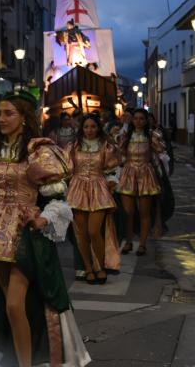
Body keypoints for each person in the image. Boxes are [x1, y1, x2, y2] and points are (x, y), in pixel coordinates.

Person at [0, 90, 90, 367]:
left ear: (24, 117)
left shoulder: (38, 151)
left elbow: (56, 197)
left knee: (15, 305)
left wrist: (44, 218)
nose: (1, 118)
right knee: (11, 306)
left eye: (9, 113)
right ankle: (22, 360)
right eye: (0, 113)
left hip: (25, 232)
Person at [66, 114, 121, 284]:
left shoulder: (106, 146)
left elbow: (111, 169)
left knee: (93, 231)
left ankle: (101, 267)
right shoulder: (73, 147)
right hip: (77, 189)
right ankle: (88, 268)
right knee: (81, 234)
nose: (89, 130)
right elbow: (66, 168)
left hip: (99, 189)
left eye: (93, 127)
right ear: (82, 129)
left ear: (98, 128)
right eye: (86, 127)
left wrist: (112, 181)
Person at [117, 109, 166, 256]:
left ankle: (143, 244)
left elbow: (161, 151)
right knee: (128, 213)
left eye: (141, 119)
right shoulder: (126, 136)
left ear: (146, 121)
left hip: (146, 174)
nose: (138, 121)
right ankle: (128, 241)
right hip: (128, 173)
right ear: (132, 120)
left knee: (144, 212)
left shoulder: (152, 136)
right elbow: (119, 153)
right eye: (135, 118)